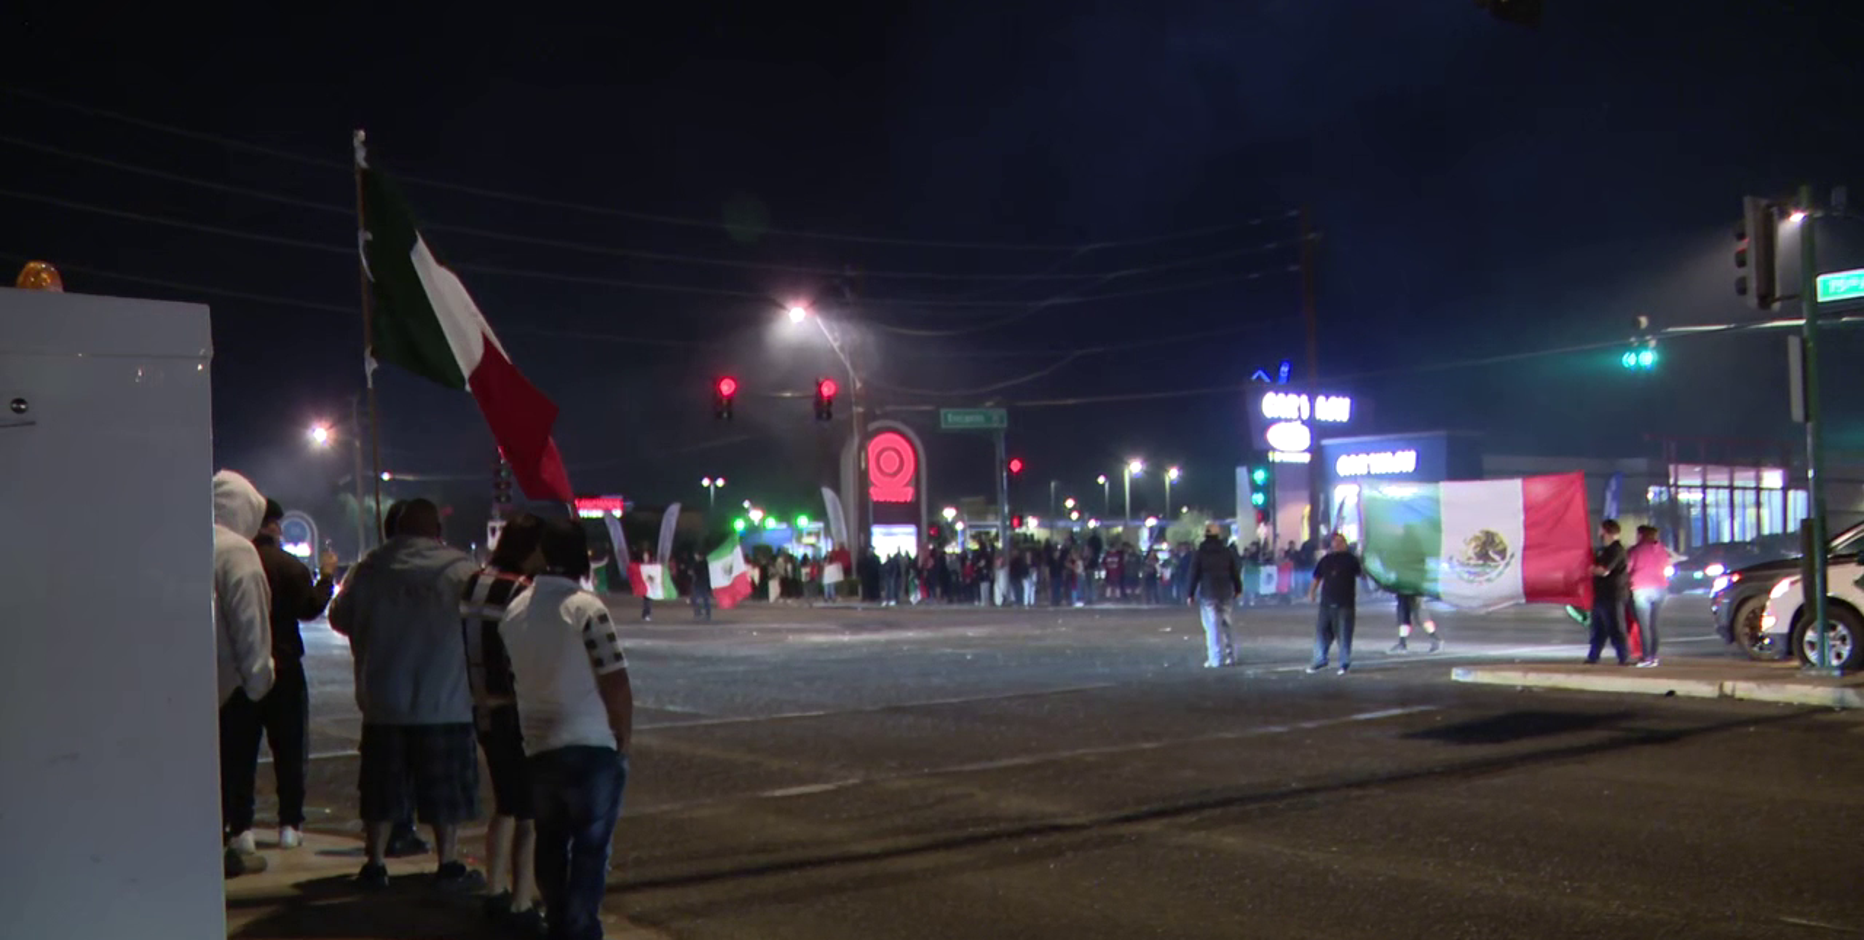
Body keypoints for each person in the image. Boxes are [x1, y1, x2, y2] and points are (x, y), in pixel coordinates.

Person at [330, 498, 483, 891]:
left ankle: (376, 862)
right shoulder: (462, 573)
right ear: (437, 530)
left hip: (384, 702)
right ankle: (447, 861)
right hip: (445, 702)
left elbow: (339, 617)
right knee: (444, 793)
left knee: (381, 790)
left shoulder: (368, 571)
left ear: (392, 529)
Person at [501, 520, 634, 940]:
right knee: (591, 850)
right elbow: (614, 679)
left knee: (551, 842)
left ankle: (558, 922)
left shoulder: (514, 611)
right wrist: (623, 738)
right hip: (590, 744)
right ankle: (579, 929)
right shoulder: (587, 609)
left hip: (539, 745)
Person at [461, 514, 546, 929]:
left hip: (480, 706)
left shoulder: (474, 582)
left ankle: (495, 890)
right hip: (514, 707)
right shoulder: (521, 591)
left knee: (506, 805)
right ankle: (521, 902)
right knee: (528, 811)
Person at [251, 499, 338, 852]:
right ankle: (290, 823)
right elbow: (311, 608)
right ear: (272, 525)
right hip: (285, 666)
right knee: (289, 749)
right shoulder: (289, 566)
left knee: (240, 749)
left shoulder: (232, 561)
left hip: (244, 668)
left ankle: (240, 825)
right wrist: (328, 575)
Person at [213, 470, 275, 877]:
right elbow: (249, 623)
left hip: (185, 688)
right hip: (230, 686)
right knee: (236, 767)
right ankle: (237, 841)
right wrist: (259, 681)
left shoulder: (179, 539)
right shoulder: (238, 552)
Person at [1186, 523, 1243, 668]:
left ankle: (1215, 658)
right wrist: (1238, 588)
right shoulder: (1226, 552)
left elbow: (1193, 574)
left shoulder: (1200, 553)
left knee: (1211, 626)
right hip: (1225, 591)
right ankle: (1231, 657)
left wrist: (1190, 593)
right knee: (1228, 625)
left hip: (1208, 592)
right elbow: (1234, 572)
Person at [1308, 533, 1363, 675]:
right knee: (1322, 633)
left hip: (1345, 603)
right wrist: (1312, 592)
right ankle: (1320, 660)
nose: (1337, 544)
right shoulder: (1326, 560)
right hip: (1326, 602)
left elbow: (1362, 574)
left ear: (1345, 543)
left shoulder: (1352, 560)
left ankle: (1344, 663)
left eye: (1340, 542)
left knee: (1344, 634)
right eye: (1335, 542)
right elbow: (1317, 577)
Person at [1586, 519, 1631, 666]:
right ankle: (1593, 656)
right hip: (1602, 594)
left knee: (1615, 627)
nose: (1599, 533)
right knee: (1599, 628)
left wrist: (1590, 570)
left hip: (1613, 595)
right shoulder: (1605, 550)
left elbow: (1604, 570)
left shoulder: (1616, 550)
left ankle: (1623, 656)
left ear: (1607, 532)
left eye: (1601, 530)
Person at [1625, 525, 1670, 667]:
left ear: (1641, 535)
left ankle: (1646, 657)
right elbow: (1666, 564)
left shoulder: (1635, 550)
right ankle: (1654, 656)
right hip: (1660, 588)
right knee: (1654, 624)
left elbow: (1627, 568)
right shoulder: (1662, 549)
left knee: (1644, 625)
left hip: (1641, 588)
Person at [688, 544, 715, 621]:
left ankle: (702, 613)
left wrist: (692, 572)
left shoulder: (701, 564)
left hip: (700, 583)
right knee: (699, 598)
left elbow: (695, 572)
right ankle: (702, 612)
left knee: (700, 598)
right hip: (701, 583)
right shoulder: (704, 563)